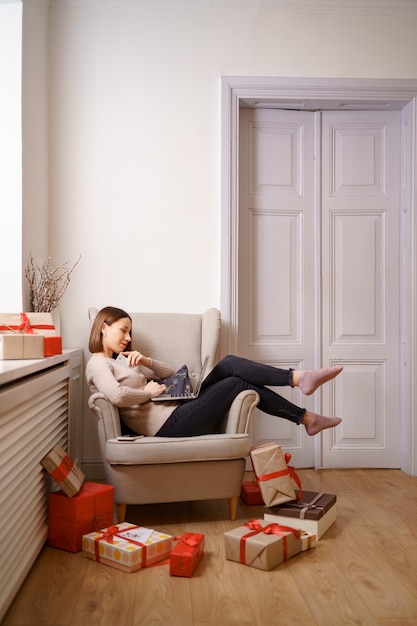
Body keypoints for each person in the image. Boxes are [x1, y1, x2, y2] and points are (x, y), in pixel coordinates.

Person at [86, 306, 343, 438]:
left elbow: (172, 373)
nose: (128, 337)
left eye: (130, 331)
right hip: (168, 425)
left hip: (179, 409)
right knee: (238, 384)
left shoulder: (124, 361)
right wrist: (146, 392)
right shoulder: (98, 364)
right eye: (123, 330)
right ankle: (306, 417)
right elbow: (117, 396)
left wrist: (147, 360)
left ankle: (298, 380)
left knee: (229, 363)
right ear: (103, 328)